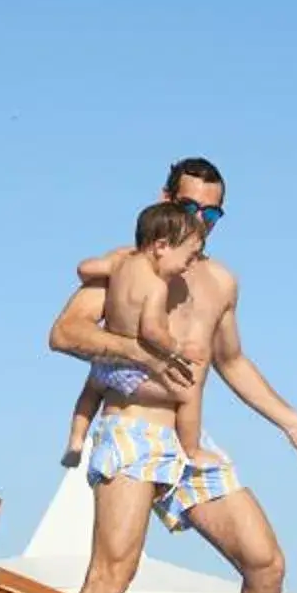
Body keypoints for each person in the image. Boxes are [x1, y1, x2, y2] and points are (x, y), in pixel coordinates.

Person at [42, 157, 297, 593]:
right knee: (111, 573)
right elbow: (64, 334)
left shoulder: (220, 282)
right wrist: (138, 354)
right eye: (190, 206)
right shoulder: (124, 268)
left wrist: (289, 421)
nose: (200, 219)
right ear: (166, 200)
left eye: (212, 211)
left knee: (266, 562)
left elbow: (230, 362)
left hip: (188, 441)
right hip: (131, 431)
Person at [63, 200, 214, 467]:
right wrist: (178, 347)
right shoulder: (157, 287)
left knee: (90, 393)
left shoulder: (120, 264)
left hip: (103, 364)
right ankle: (192, 449)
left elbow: (84, 268)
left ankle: (76, 440)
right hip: (134, 371)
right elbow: (152, 331)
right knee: (188, 392)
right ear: (161, 246)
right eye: (188, 256)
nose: (189, 265)